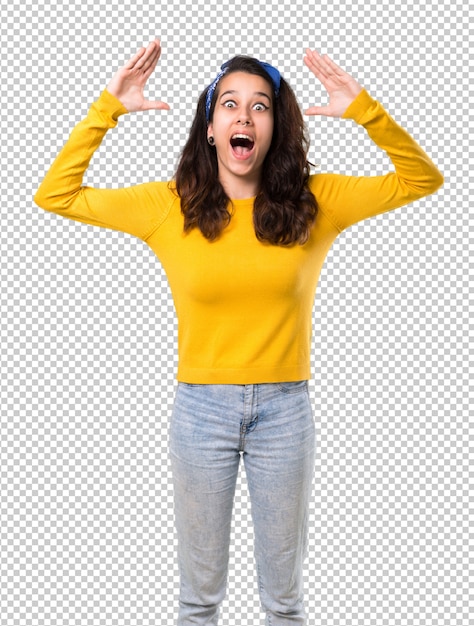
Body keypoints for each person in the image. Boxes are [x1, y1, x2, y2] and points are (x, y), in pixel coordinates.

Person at [34, 40, 443, 626]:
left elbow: (421, 179)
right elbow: (55, 195)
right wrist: (109, 108)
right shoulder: (168, 207)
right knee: (199, 601)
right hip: (199, 412)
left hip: (286, 410)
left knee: (284, 602)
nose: (244, 117)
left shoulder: (316, 202)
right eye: (229, 104)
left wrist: (365, 111)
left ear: (275, 127)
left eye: (260, 106)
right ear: (210, 126)